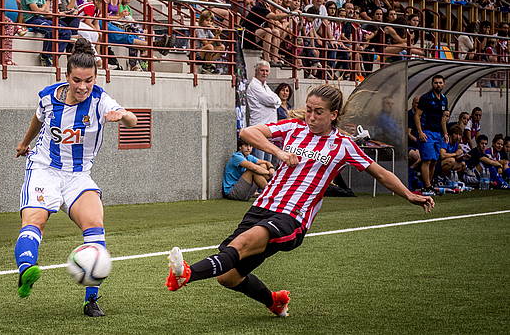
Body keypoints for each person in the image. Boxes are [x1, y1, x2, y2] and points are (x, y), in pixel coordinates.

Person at [165, 84, 434, 315]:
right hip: (263, 206)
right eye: (309, 109)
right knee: (228, 276)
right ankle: (275, 302)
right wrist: (278, 153)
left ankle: (185, 274)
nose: (311, 116)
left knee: (243, 243)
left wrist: (410, 194)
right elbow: (247, 133)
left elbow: (381, 173)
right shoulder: (293, 127)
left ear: (333, 115)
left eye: (319, 112)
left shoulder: (343, 145)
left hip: (292, 217)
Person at [13, 38, 137, 316]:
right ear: (67, 76)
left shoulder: (101, 100)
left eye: (89, 80)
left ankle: (90, 300)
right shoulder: (47, 96)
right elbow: (38, 119)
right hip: (44, 169)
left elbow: (133, 121)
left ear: (96, 76)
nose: (83, 87)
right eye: (77, 80)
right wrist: (24, 144)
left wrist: (124, 115)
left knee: (95, 224)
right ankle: (26, 270)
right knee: (35, 219)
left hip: (79, 175)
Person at [414, 74, 449, 194]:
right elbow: (417, 115)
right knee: (427, 160)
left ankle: (429, 184)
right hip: (427, 132)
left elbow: (444, 118)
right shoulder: (426, 98)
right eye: (436, 83)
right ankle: (427, 186)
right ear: (432, 84)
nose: (438, 85)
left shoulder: (444, 98)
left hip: (438, 133)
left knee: (434, 160)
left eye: (440, 83)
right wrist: (420, 132)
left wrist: (445, 133)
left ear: (444, 84)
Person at [245, 61, 280, 163]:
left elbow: (276, 99)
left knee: (268, 162)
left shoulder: (265, 85)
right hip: (258, 129)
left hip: (268, 129)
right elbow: (271, 100)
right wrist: (275, 102)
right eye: (262, 70)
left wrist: (275, 102)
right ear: (256, 71)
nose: (264, 73)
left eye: (266, 71)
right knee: (260, 162)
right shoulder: (254, 86)